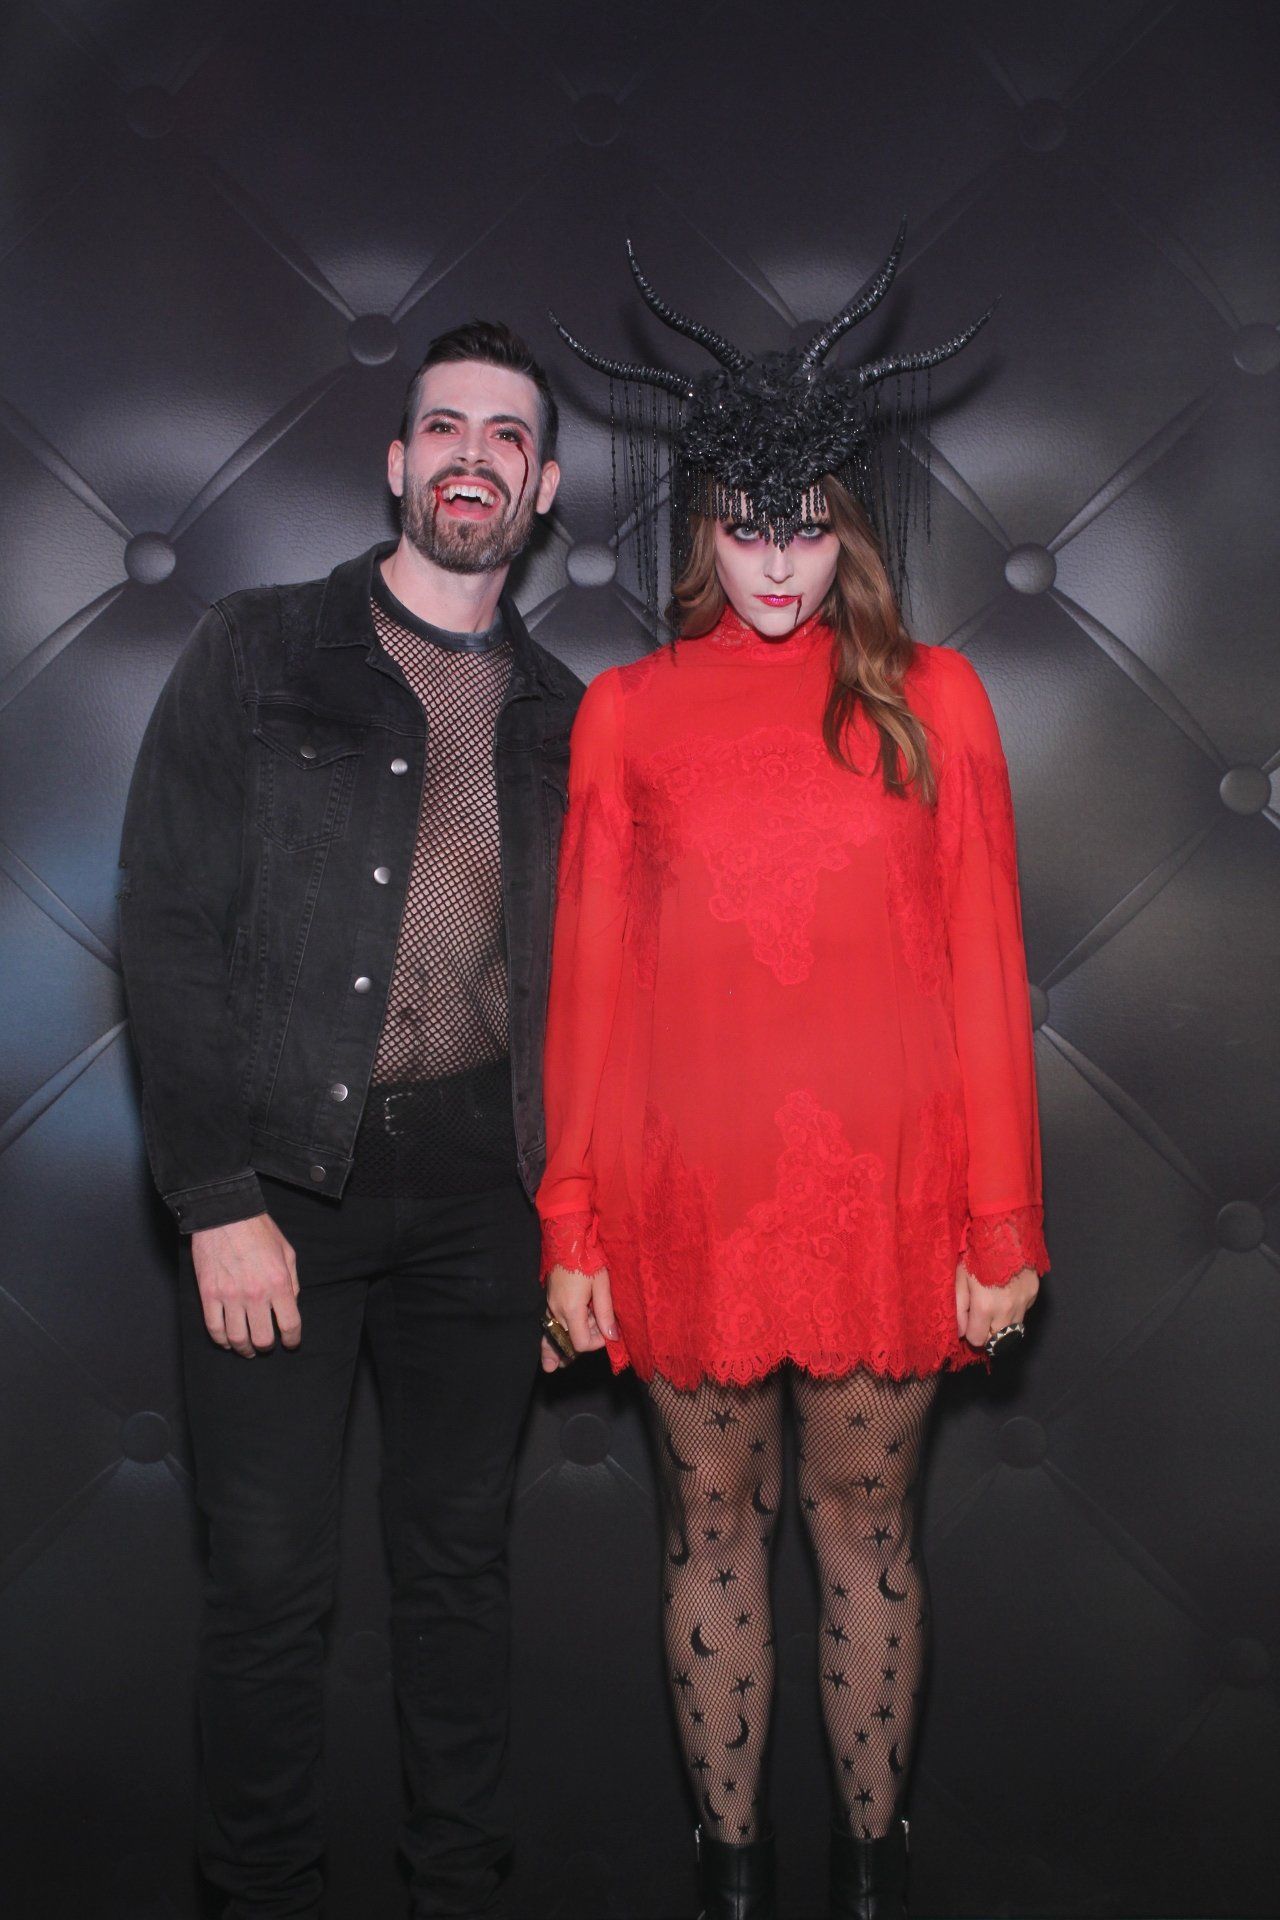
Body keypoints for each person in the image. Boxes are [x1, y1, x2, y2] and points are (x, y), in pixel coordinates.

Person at [534, 224, 1050, 1920]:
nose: (775, 562)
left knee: (866, 1538)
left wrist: (1003, 1221)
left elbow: (986, 968)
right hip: (687, 1199)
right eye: (747, 526)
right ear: (704, 522)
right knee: (710, 1535)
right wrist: (571, 1224)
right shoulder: (627, 713)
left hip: (888, 1199)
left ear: (849, 526)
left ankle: (870, 1881)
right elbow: (590, 989)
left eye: (807, 525)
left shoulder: (938, 699)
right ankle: (733, 1879)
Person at [117, 320, 583, 1920]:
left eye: (507, 436)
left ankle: (459, 1889)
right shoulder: (258, 649)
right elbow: (167, 925)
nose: (474, 456)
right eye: (445, 426)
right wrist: (215, 1197)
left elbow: (596, 986)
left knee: (460, 1577)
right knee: (267, 1588)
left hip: (484, 1198)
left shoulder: (565, 714)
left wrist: (572, 1220)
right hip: (281, 1191)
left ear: (543, 487)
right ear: (397, 463)